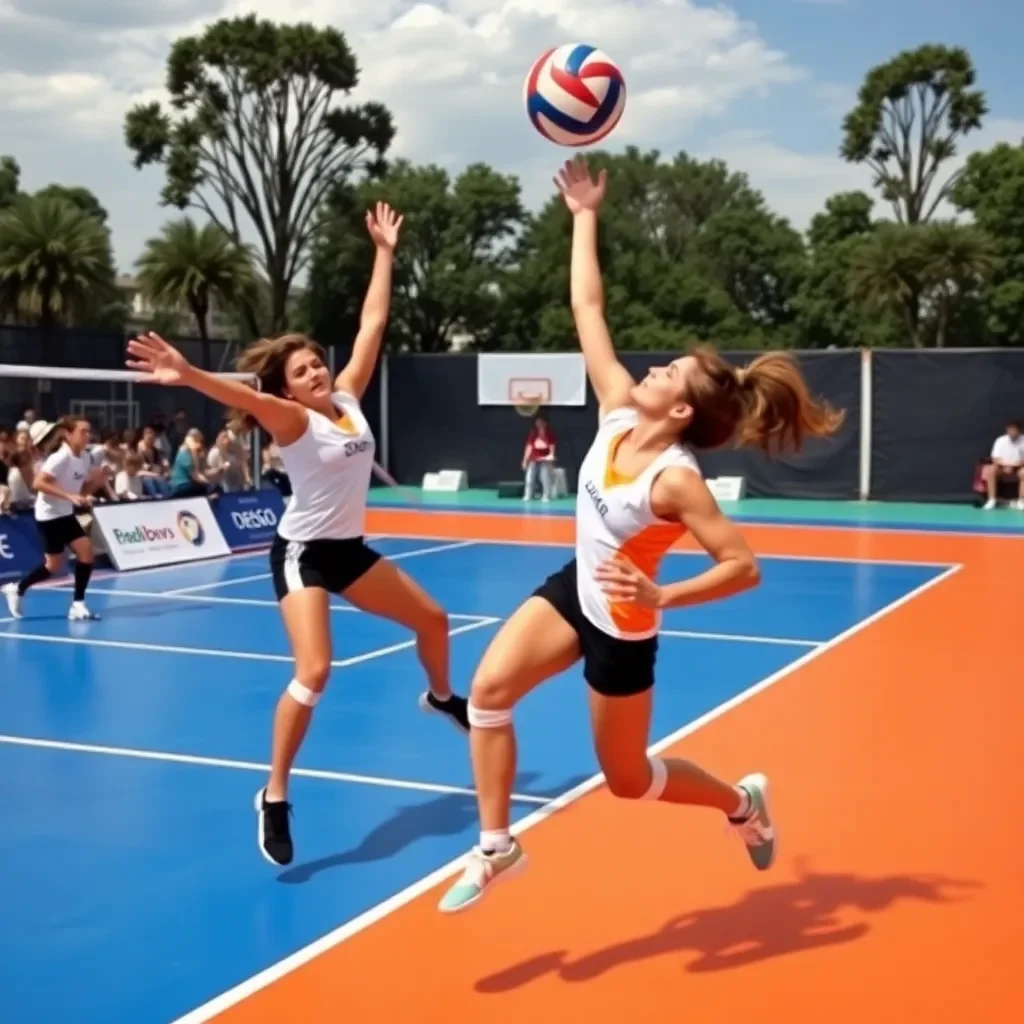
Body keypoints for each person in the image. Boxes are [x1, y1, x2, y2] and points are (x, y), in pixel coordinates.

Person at [438, 159, 845, 913]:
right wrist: (584, 214)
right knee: (488, 692)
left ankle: (740, 804)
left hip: (626, 625)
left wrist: (665, 592)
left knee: (628, 780)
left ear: (682, 411)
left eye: (670, 372)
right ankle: (498, 848)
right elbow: (587, 306)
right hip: (575, 592)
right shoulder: (619, 408)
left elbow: (743, 566)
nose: (654, 369)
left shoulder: (676, 481)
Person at [124, 202, 470, 867]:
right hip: (304, 555)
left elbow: (372, 322)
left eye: (317, 364)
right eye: (302, 371)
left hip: (348, 551)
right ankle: (276, 795)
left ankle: (441, 697)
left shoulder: (344, 400)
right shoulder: (292, 420)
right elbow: (247, 398)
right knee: (314, 670)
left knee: (434, 620)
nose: (315, 373)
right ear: (286, 387)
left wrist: (385, 253)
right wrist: (188, 374)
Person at [2, 416, 102, 621]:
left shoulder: (84, 457)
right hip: (48, 516)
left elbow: (80, 487)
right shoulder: (60, 457)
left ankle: (76, 604)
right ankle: (18, 588)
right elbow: (39, 483)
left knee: (78, 555)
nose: (88, 435)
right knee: (58, 564)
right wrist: (69, 497)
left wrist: (88, 492)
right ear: (68, 434)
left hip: (65, 513)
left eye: (89, 431)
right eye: (83, 431)